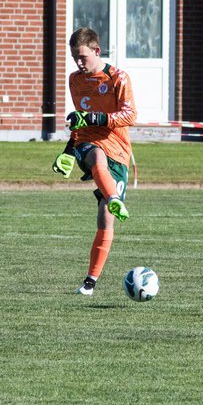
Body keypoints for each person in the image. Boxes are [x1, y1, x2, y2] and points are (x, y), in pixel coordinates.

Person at [51, 27, 137, 296]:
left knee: (106, 219)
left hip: (119, 153)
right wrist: (67, 151)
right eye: (74, 57)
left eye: (83, 57)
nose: (78, 63)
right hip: (88, 144)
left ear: (96, 51)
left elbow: (130, 115)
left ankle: (89, 283)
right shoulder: (75, 80)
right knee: (96, 155)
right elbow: (79, 118)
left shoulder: (118, 78)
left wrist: (96, 118)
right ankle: (114, 196)